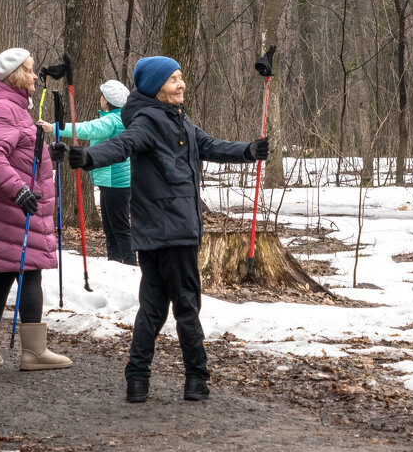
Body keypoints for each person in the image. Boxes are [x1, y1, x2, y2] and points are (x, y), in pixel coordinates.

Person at [60, 57, 266, 404]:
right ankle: (196, 380)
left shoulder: (178, 120)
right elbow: (124, 144)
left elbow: (210, 145)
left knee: (152, 308)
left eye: (180, 77)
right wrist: (90, 157)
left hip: (160, 231)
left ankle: (137, 381)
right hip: (173, 232)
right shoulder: (150, 121)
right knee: (185, 307)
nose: (181, 84)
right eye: (172, 80)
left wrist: (248, 151)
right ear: (157, 88)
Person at [0, 48, 70, 371]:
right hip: (10, 207)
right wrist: (19, 189)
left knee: (1, 275)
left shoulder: (11, 106)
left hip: (2, 208)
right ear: (14, 77)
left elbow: (18, 150)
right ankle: (34, 353)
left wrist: (49, 152)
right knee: (29, 273)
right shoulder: (4, 107)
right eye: (28, 70)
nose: (35, 76)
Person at [42, 79, 134, 265]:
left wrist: (56, 127)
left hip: (114, 183)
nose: (100, 99)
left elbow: (86, 129)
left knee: (119, 228)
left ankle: (130, 267)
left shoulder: (111, 121)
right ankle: (115, 264)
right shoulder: (122, 118)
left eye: (102, 96)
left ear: (107, 100)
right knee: (111, 228)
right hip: (114, 183)